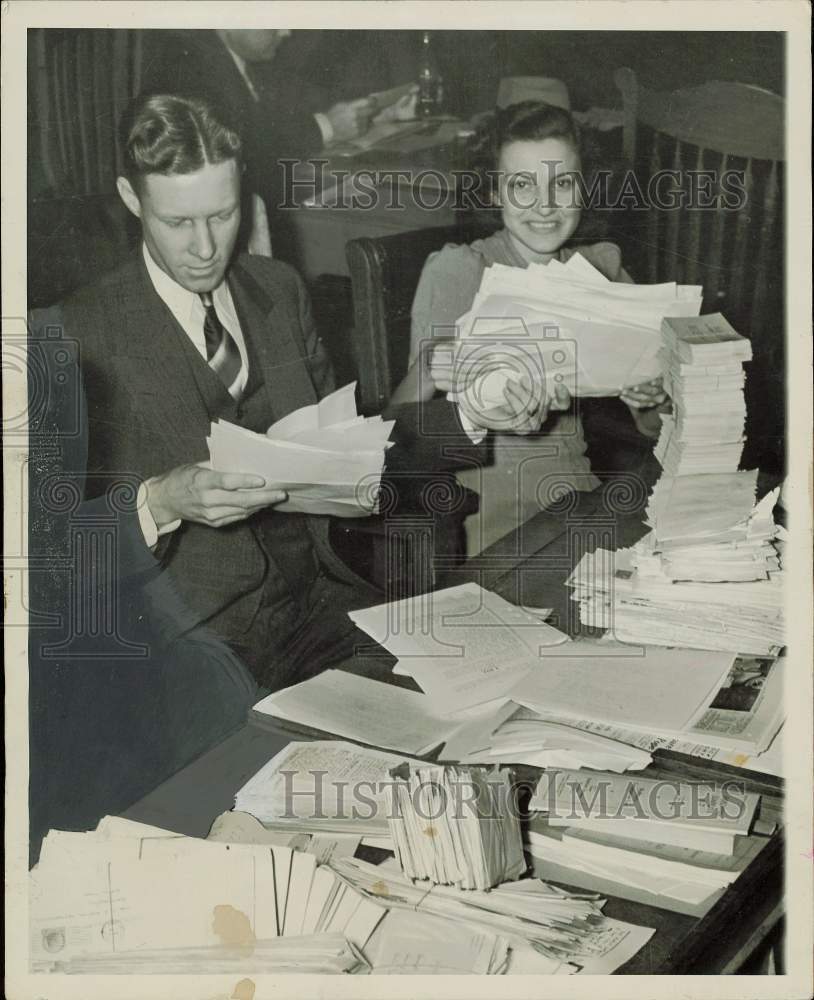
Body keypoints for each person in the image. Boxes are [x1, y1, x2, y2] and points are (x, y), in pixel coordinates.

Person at [49, 92, 468, 693]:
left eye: (222, 216)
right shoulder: (76, 332)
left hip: (326, 605)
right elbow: (42, 554)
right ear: (129, 198)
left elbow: (341, 447)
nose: (204, 248)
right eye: (177, 222)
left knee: (462, 706)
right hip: (187, 652)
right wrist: (160, 502)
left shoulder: (278, 289)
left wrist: (464, 418)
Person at [391, 101, 669, 555]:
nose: (545, 205)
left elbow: (654, 427)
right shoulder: (461, 271)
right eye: (522, 185)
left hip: (575, 500)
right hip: (483, 517)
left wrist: (653, 400)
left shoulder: (598, 271)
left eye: (562, 183)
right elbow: (397, 435)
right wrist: (430, 366)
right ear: (493, 192)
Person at [141, 30, 414, 258]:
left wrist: (378, 115)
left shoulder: (251, 63)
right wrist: (327, 126)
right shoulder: (188, 61)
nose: (287, 32)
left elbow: (305, 107)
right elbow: (240, 146)